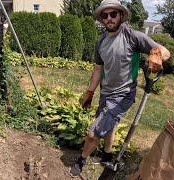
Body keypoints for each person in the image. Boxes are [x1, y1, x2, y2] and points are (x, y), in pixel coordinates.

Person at [69, 0, 171, 177]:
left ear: (121, 15)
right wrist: (90, 92)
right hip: (106, 92)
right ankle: (107, 156)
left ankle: (81, 160)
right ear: (101, 19)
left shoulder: (133, 36)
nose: (109, 18)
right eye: (105, 15)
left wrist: (157, 55)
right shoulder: (100, 42)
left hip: (124, 94)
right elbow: (98, 69)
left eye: (113, 14)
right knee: (110, 125)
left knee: (94, 134)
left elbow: (164, 50)